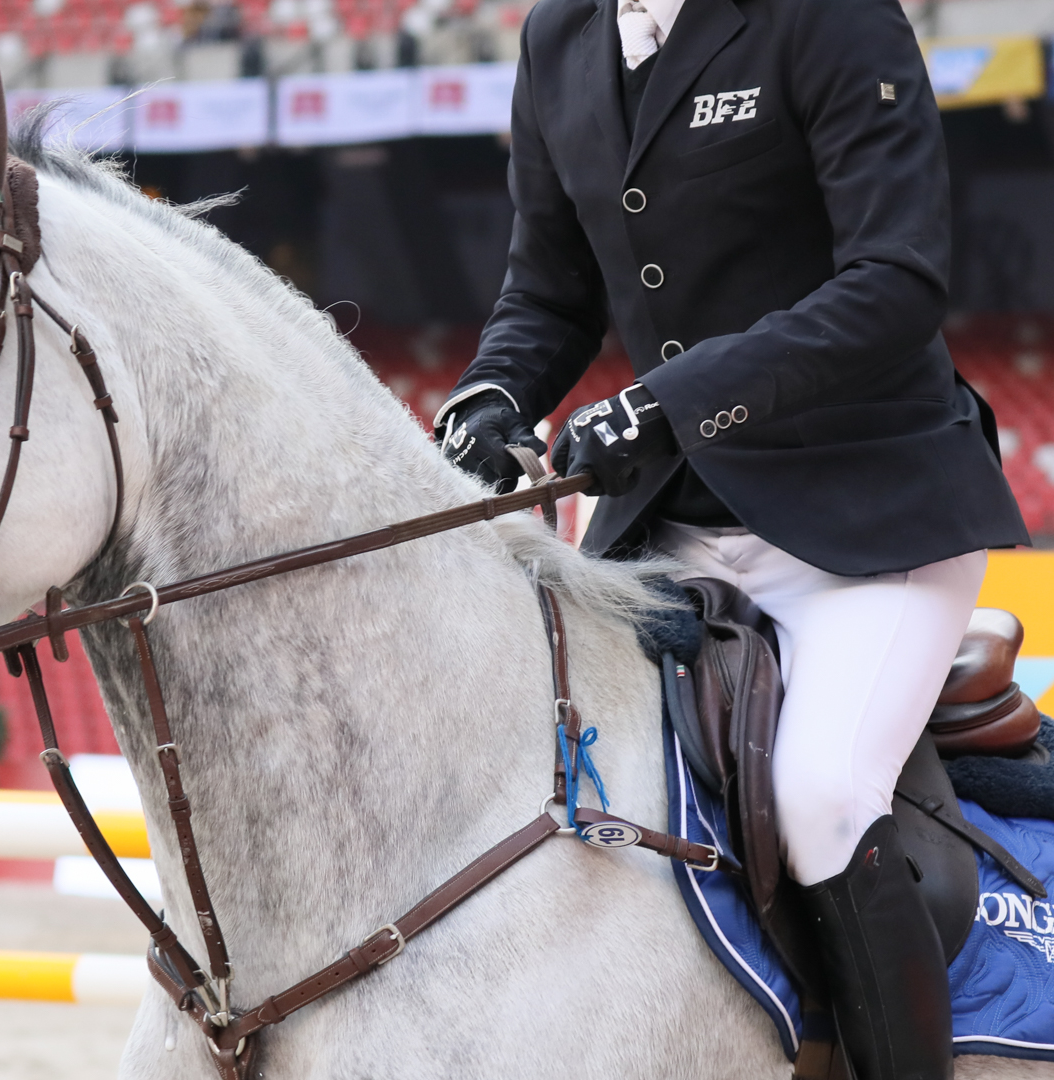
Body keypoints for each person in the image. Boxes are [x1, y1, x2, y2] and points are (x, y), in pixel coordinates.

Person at [434, 0, 1029, 1076]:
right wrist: (489, 393)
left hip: (867, 516)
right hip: (670, 522)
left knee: (821, 793)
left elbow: (894, 278)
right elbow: (549, 291)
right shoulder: (558, 35)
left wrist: (665, 402)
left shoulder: (828, 17)